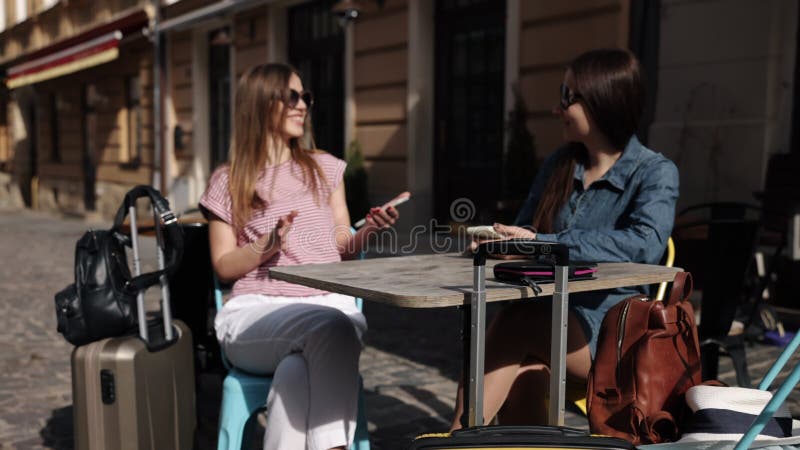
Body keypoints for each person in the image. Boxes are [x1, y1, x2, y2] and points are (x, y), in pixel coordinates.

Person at [451, 48, 680, 428]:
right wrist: (501, 244)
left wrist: (547, 243)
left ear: (604, 101)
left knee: (519, 319)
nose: (558, 109)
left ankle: (455, 438)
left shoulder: (654, 172)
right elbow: (529, 230)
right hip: (553, 319)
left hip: (613, 336)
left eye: (567, 96)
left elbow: (646, 244)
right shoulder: (560, 164)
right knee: (524, 373)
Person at [200, 63, 399, 450]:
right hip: (256, 314)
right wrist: (267, 245)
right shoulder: (229, 179)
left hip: (328, 303)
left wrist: (371, 228)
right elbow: (223, 265)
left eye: (305, 96)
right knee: (330, 328)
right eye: (291, 96)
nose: (302, 105)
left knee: (295, 374)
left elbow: (343, 245)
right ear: (260, 104)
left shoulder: (325, 168)